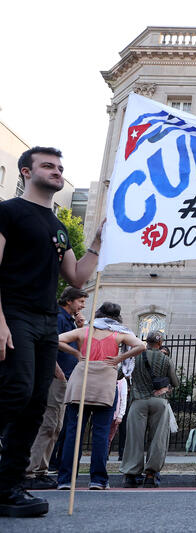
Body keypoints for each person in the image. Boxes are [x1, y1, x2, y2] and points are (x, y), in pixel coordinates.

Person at [0, 146, 103, 517]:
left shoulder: (57, 226)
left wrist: (97, 242)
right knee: (15, 391)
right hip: (14, 313)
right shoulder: (8, 212)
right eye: (48, 166)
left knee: (34, 406)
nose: (57, 171)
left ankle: (9, 486)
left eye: (60, 167)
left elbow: (76, 277)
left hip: (45, 322)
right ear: (27, 172)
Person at [57, 302, 144, 490]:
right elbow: (141, 345)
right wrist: (118, 359)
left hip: (81, 383)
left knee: (73, 432)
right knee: (101, 434)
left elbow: (57, 339)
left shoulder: (84, 332)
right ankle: (98, 479)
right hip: (104, 383)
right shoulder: (119, 334)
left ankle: (65, 478)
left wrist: (75, 352)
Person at [22, 286, 87, 490]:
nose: (82, 306)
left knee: (56, 427)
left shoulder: (70, 320)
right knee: (48, 424)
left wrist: (80, 327)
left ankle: (41, 470)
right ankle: (29, 472)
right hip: (56, 377)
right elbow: (50, 344)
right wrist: (57, 371)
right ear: (69, 301)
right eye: (80, 302)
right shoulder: (58, 318)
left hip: (66, 377)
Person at [120, 331, 177, 488]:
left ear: (146, 342)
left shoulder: (135, 357)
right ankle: (151, 475)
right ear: (160, 343)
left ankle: (130, 475)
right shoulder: (166, 359)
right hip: (159, 401)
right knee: (158, 439)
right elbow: (175, 381)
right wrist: (166, 387)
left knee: (134, 438)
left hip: (138, 401)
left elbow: (120, 374)